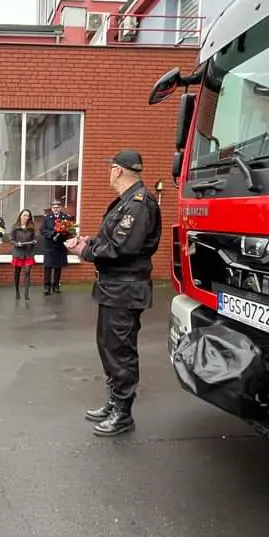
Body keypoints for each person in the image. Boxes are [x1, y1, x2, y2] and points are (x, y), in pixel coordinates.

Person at [66, 149, 162, 437]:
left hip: (125, 290)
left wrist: (85, 252)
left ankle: (123, 412)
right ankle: (114, 400)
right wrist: (90, 242)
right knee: (108, 347)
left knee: (120, 350)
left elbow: (123, 247)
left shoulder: (139, 204)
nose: (109, 172)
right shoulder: (126, 202)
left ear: (118, 170)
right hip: (113, 288)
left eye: (111, 168)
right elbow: (111, 238)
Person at [40, 199, 73, 295]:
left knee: (58, 267)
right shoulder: (47, 218)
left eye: (57, 207)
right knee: (48, 266)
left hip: (60, 245)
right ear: (51, 208)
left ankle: (56, 286)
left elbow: (70, 230)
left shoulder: (65, 217)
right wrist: (52, 234)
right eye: (54, 207)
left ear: (60, 208)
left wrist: (63, 234)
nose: (55, 209)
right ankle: (47, 287)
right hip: (49, 245)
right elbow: (42, 230)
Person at [9, 209, 38, 300]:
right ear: (20, 216)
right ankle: (17, 291)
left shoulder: (31, 227)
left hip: (28, 253)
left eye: (28, 216)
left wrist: (34, 242)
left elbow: (34, 238)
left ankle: (26, 293)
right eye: (25, 215)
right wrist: (16, 244)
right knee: (17, 272)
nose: (26, 217)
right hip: (18, 253)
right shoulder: (15, 226)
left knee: (27, 272)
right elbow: (11, 239)